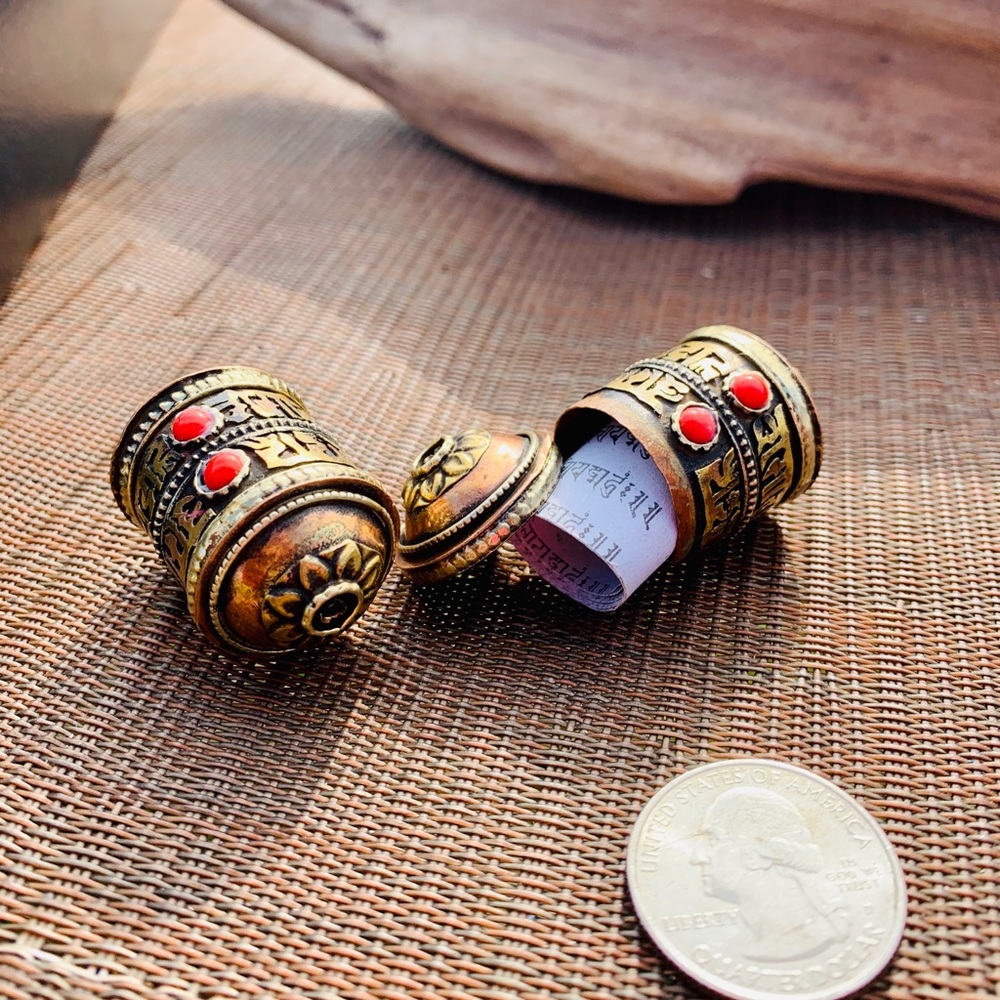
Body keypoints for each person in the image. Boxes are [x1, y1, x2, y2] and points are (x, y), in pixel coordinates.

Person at [691, 786, 849, 961]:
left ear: (759, 854)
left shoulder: (806, 938)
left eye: (713, 841)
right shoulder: (745, 941)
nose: (697, 857)